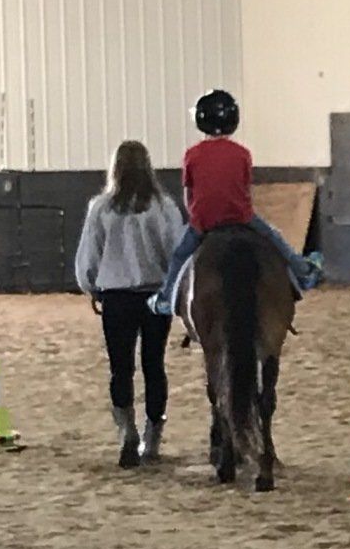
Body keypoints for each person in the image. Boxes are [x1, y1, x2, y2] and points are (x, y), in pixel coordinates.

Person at [150, 89, 321, 315]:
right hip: (241, 217)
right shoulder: (243, 153)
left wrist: (196, 216)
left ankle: (165, 297)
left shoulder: (191, 154)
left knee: (180, 255)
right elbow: (244, 189)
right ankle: (303, 271)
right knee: (274, 238)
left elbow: (188, 195)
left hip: (204, 221)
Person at [75, 140, 186, 467]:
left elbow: (88, 257)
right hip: (154, 297)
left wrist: (91, 286)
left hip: (116, 297)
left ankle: (126, 432)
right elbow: (175, 253)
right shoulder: (164, 207)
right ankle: (153, 436)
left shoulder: (101, 208)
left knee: (120, 367)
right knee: (154, 366)